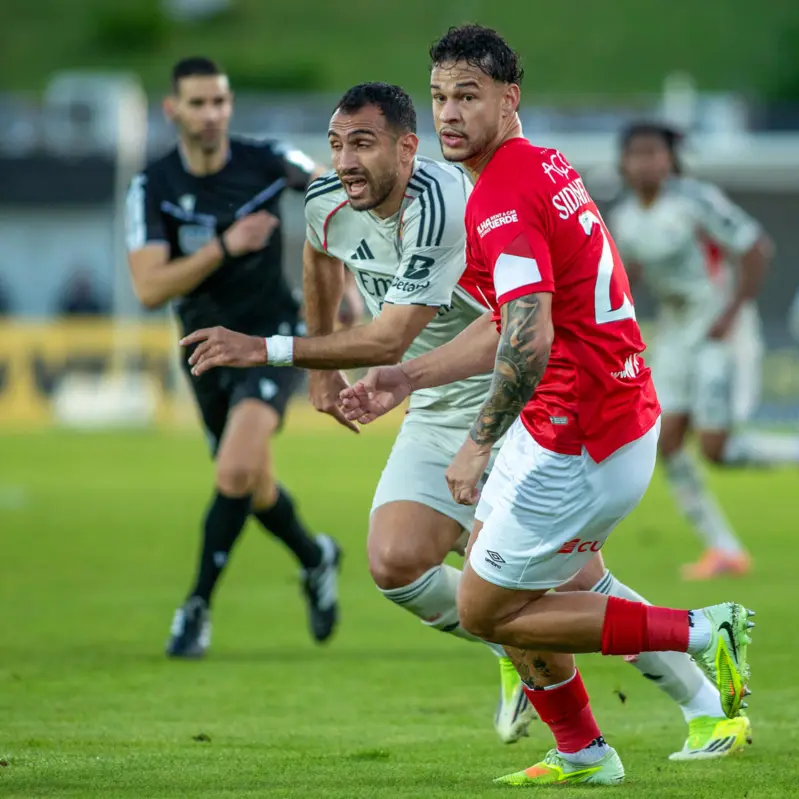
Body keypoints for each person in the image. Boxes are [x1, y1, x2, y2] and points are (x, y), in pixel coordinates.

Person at [182, 82, 750, 759]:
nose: (345, 162)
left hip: (502, 397)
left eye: (362, 145)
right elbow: (319, 258)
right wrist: (322, 366)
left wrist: (268, 349)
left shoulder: (453, 203)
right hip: (429, 401)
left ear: (406, 147)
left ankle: (698, 706)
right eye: (336, 145)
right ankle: (543, 679)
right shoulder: (329, 200)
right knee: (396, 562)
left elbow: (393, 339)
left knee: (565, 585)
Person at [336, 25, 754, 786]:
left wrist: (477, 441)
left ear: (509, 98)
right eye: (439, 98)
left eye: (468, 96)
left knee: (488, 607)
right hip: (591, 416)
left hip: (580, 435)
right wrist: (412, 377)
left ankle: (701, 631)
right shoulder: (541, 165)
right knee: (528, 589)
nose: (449, 114)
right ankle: (588, 750)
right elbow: (509, 322)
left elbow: (531, 332)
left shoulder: (500, 194)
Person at [124, 56, 340, 659]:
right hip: (204, 352)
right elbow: (148, 288)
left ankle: (195, 608)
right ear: (173, 111)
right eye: (198, 103)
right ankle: (315, 556)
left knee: (234, 471)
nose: (212, 114)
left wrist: (345, 285)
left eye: (220, 101)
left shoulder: (268, 159)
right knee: (254, 483)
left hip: (273, 337)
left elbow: (336, 190)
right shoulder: (153, 186)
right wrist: (225, 244)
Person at [608, 123, 799, 580]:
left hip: (719, 329)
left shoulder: (696, 201)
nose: (644, 163)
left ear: (669, 159)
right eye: (635, 154)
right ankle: (725, 549)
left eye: (654, 153)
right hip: (676, 331)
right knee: (666, 441)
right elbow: (626, 273)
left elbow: (756, 249)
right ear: (623, 163)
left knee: (715, 448)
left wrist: (731, 313)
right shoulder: (625, 218)